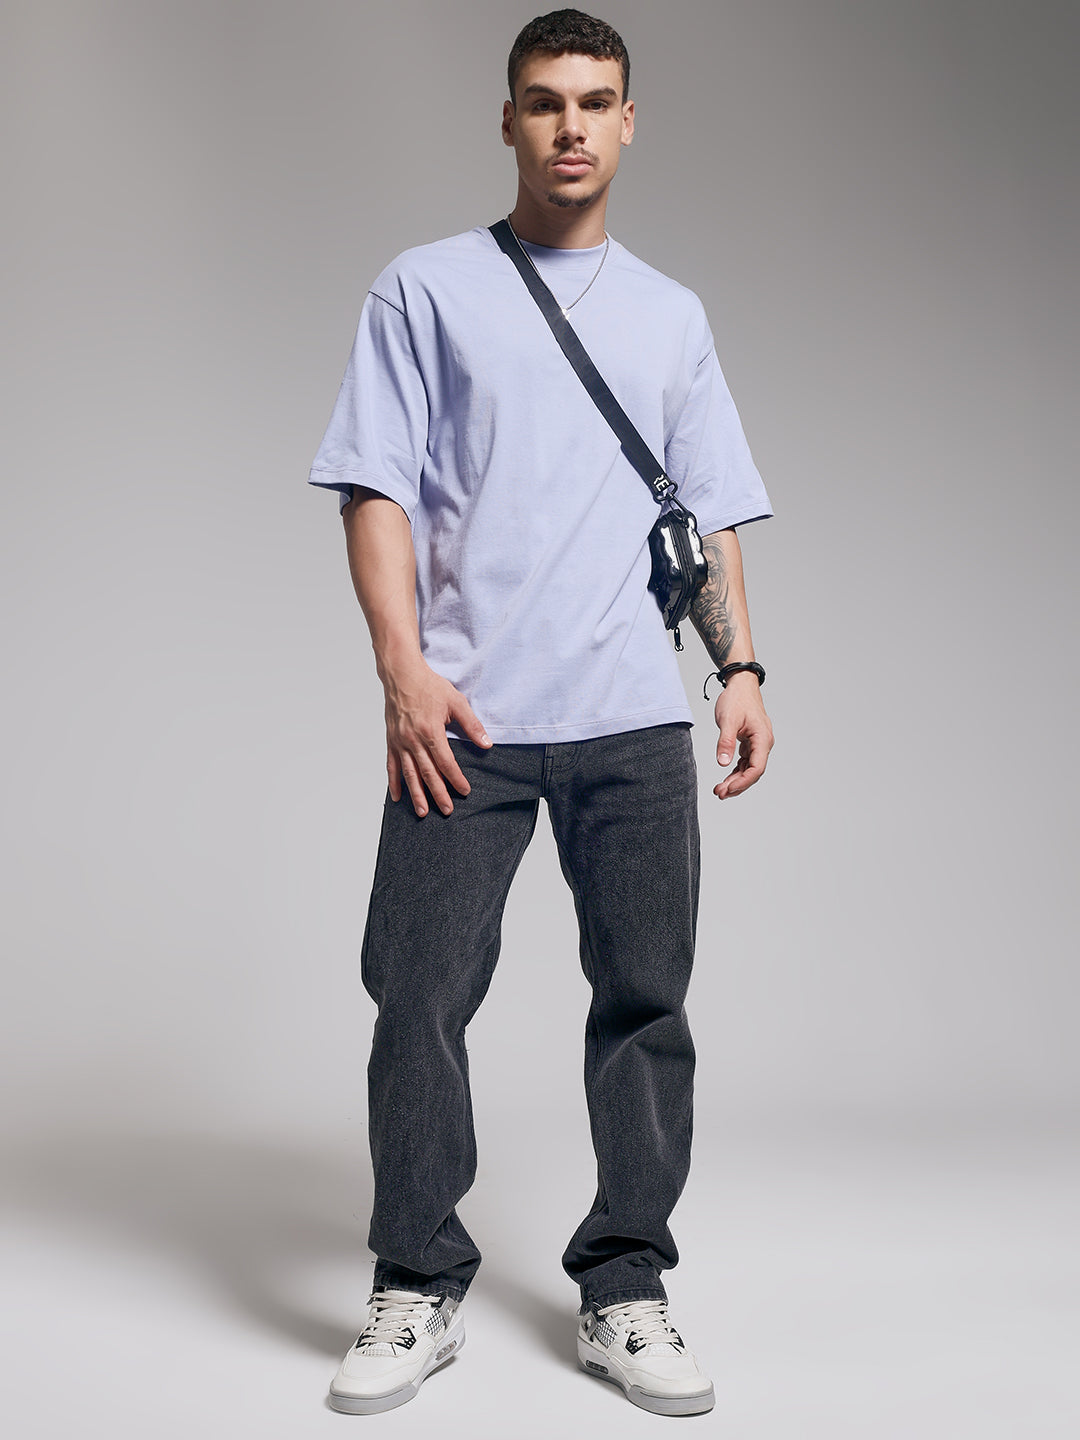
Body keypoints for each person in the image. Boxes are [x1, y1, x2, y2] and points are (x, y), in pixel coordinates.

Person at [307, 7, 774, 1418]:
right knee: (416, 996)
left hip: (632, 719)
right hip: (466, 720)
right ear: (507, 119)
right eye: (544, 100)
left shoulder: (671, 315)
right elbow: (376, 487)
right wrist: (402, 670)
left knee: (645, 1005)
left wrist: (741, 671)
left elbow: (708, 510)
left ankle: (626, 1283)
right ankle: (416, 1279)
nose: (571, 125)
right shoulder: (425, 289)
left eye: (595, 100)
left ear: (629, 122)